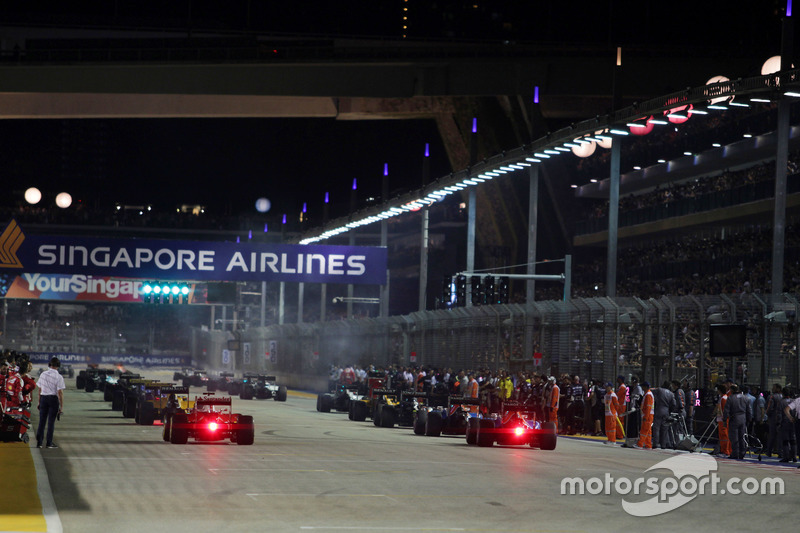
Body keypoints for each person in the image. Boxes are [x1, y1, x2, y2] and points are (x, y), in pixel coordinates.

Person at [36, 356, 66, 449]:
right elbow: (60, 392)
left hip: (44, 398)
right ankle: (49, 443)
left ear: (49, 364)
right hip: (53, 400)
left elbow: (39, 389)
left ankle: (39, 443)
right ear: (58, 366)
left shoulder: (43, 374)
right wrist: (61, 407)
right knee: (51, 422)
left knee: (41, 421)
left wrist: (39, 402)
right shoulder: (59, 377)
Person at [723, 384, 751, 460]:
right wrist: (749, 419)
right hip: (743, 418)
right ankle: (742, 453)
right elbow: (749, 410)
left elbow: (726, 410)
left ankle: (735, 453)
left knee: (734, 437)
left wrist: (724, 420)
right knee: (742, 436)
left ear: (732, 390)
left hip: (734, 418)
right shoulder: (746, 398)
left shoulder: (730, 398)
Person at [651, 381, 676, 449]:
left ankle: (655, 443)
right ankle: (663, 445)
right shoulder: (671, 394)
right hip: (666, 411)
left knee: (656, 428)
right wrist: (670, 411)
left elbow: (651, 391)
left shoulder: (659, 390)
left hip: (658, 410)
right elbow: (674, 404)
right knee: (664, 429)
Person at [765, 384, 784, 457]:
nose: (772, 389)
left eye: (774, 387)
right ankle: (780, 452)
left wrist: (767, 414)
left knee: (772, 436)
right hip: (782, 418)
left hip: (773, 418)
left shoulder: (772, 397)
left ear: (778, 389)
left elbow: (769, 407)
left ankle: (769, 451)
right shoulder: (783, 397)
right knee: (780, 436)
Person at [715, 383, 731, 458]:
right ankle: (723, 450)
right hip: (720, 419)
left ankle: (726, 451)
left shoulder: (724, 398)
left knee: (724, 435)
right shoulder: (722, 398)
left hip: (723, 420)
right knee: (721, 436)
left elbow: (724, 410)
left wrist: (723, 418)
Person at [636, 382, 654, 449]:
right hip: (648, 415)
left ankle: (640, 444)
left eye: (643, 386)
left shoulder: (648, 395)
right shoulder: (647, 394)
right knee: (648, 431)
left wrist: (645, 417)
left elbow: (648, 407)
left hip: (648, 415)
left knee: (643, 430)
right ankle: (648, 445)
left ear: (645, 387)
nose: (642, 388)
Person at [615, 376, 627, 441]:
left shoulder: (622, 387)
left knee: (620, 420)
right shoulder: (621, 387)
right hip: (620, 405)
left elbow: (617, 396)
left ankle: (620, 434)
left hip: (621, 405)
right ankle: (618, 433)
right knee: (618, 420)